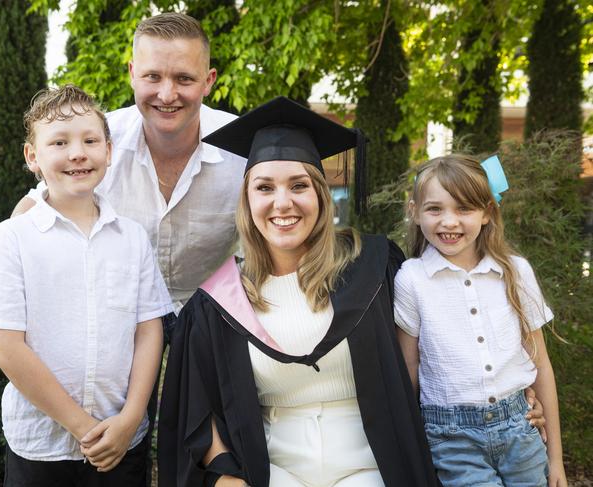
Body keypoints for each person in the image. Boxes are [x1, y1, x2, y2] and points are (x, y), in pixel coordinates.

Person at [157, 96, 442, 487]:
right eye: (264, 187)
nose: (282, 202)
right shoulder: (219, 302)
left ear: (321, 195)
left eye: (298, 186)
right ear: (247, 200)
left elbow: (436, 342)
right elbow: (197, 406)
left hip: (375, 464)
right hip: (274, 470)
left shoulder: (374, 268)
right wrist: (224, 475)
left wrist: (507, 394)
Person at [11, 13, 246, 483]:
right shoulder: (97, 143)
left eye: (184, 78)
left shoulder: (241, 149)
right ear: (131, 74)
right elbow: (29, 212)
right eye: (153, 76)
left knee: (223, 440)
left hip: (211, 310)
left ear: (209, 81)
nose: (167, 93)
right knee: (122, 439)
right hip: (119, 314)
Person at [0, 85, 173, 486]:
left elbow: (149, 330)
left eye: (90, 140)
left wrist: (130, 419)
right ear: (33, 157)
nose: (77, 152)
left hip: (122, 442)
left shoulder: (131, 238)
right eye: (59, 142)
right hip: (41, 448)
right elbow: (6, 346)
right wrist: (83, 427)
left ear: (109, 152)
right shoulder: (12, 238)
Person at [394, 154, 567, 486]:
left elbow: (540, 364)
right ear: (414, 212)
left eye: (464, 209)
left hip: (522, 428)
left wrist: (556, 459)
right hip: (451, 438)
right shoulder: (412, 279)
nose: (449, 222)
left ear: (487, 212)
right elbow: (409, 370)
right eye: (435, 209)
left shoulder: (515, 271)